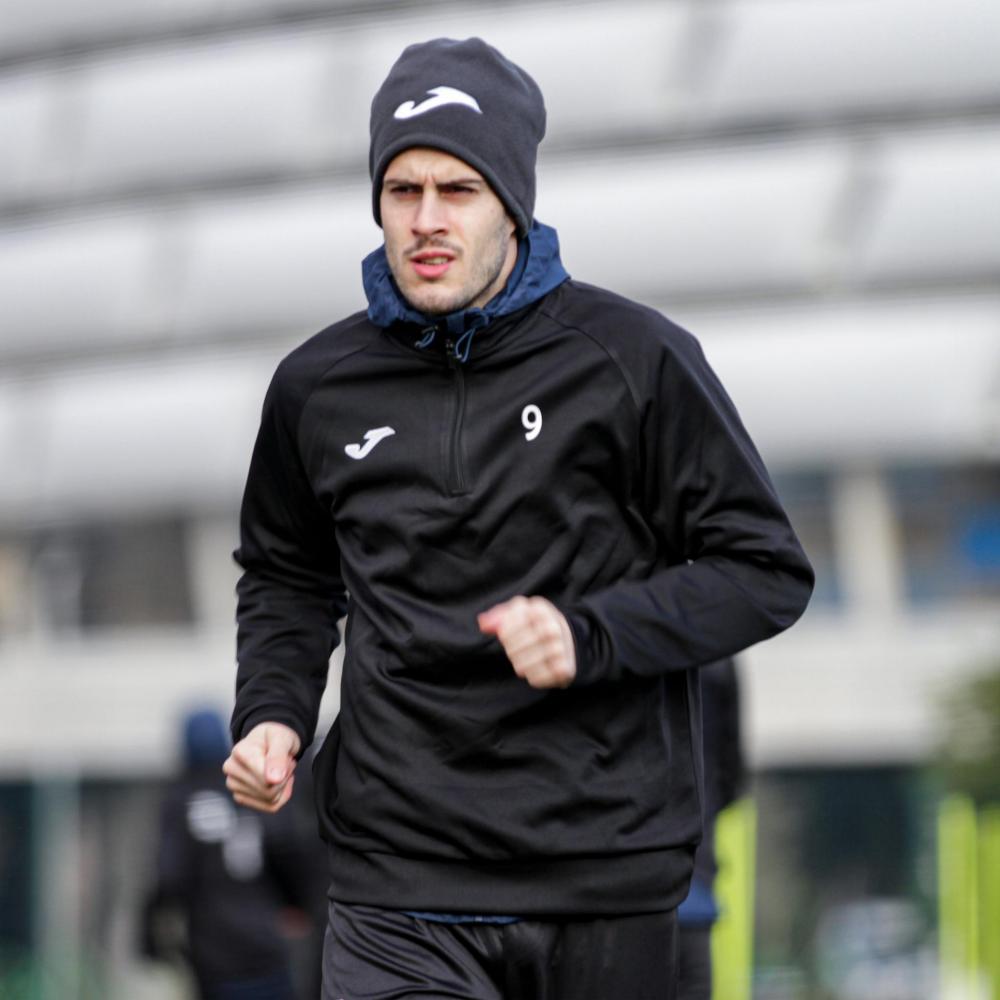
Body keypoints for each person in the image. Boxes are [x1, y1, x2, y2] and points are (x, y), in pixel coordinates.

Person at [222, 36, 814, 1000]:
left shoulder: (634, 360)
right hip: (393, 879)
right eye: (402, 190)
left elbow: (765, 570)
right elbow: (287, 575)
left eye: (457, 190)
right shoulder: (315, 387)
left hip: (602, 873)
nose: (426, 219)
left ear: (513, 203)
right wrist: (273, 713)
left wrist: (590, 634)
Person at [143, 708, 324, 1000]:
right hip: (267, 944)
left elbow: (169, 877)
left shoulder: (180, 799)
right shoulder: (244, 787)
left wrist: (149, 937)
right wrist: (298, 903)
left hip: (213, 952)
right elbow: (284, 845)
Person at [677, 658, 746, 1000]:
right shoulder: (717, 652)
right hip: (692, 883)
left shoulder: (606, 640)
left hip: (617, 895)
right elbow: (733, 775)